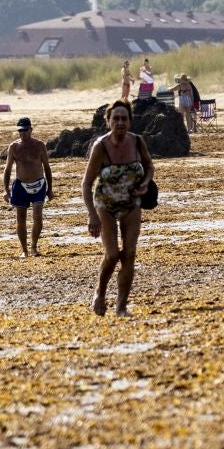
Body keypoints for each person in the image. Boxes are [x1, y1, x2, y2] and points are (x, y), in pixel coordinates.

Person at [83, 99, 155, 317]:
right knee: (113, 254)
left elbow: (149, 166)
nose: (120, 122)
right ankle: (100, 293)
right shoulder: (101, 146)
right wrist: (92, 215)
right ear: (108, 121)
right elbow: (86, 183)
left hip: (132, 203)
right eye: (116, 118)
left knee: (130, 253)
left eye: (124, 118)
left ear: (130, 122)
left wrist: (144, 184)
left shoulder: (137, 142)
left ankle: (121, 306)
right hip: (105, 204)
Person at [2, 116, 53, 257]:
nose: (23, 133)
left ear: (31, 129)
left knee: (38, 216)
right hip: (20, 185)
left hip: (39, 183)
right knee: (21, 219)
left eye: (25, 130)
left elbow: (47, 168)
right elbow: (7, 169)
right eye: (20, 131)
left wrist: (50, 189)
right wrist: (6, 190)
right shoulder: (14, 147)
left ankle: (34, 246)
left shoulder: (39, 145)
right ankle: (24, 249)